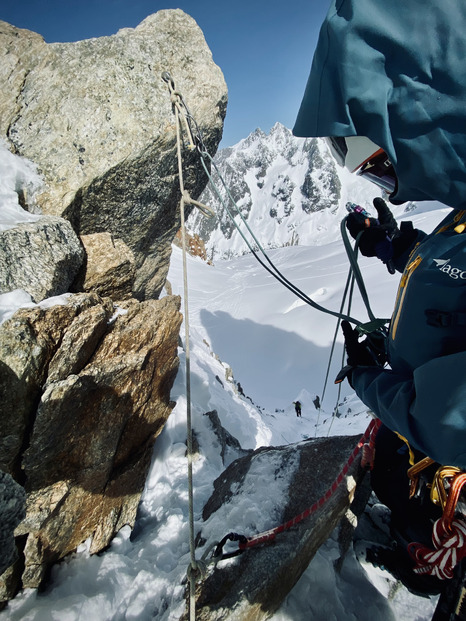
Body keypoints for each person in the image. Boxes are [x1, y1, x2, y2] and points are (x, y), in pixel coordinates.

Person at [293, 0, 466, 596]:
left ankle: (414, 559)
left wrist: (371, 377)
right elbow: (453, 275)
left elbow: (450, 417)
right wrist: (395, 245)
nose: (386, 179)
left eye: (382, 164)